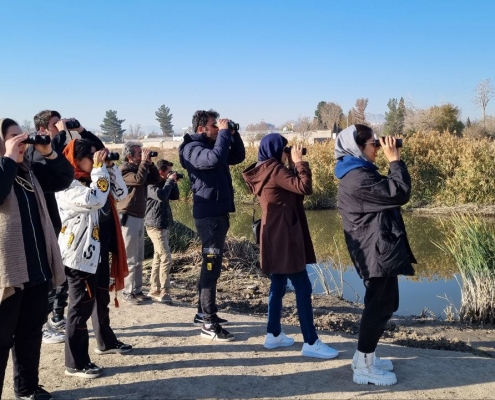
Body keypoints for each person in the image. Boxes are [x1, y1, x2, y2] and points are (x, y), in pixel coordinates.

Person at [242, 133, 339, 359]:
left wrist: (292, 166)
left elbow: (291, 192)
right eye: (284, 149)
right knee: (303, 286)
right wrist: (299, 163)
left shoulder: (263, 170)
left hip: (272, 233)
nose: (287, 153)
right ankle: (311, 341)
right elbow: (305, 187)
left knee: (278, 284)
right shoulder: (276, 170)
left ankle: (273, 334)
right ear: (276, 150)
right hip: (285, 235)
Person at [334, 124, 416, 386]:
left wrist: (392, 163)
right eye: (374, 144)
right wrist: (395, 161)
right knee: (378, 307)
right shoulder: (358, 178)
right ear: (357, 148)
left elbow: (390, 194)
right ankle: (364, 367)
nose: (378, 148)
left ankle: (364, 357)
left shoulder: (360, 172)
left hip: (377, 248)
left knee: (386, 304)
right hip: (374, 252)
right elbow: (399, 192)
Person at [0, 118, 68, 400]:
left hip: (37, 269)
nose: (21, 141)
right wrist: (7, 158)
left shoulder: (30, 171)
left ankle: (27, 388)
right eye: (13, 137)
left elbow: (64, 178)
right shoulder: (5, 170)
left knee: (30, 333)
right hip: (8, 275)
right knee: (1, 339)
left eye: (22, 136)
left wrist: (48, 151)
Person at [57, 139, 131, 379]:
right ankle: (75, 362)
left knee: (101, 298)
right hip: (79, 255)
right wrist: (100, 170)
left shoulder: (97, 177)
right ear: (77, 160)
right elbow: (95, 199)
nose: (96, 159)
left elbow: (121, 193)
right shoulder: (67, 184)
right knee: (80, 307)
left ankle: (105, 342)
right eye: (92, 156)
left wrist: (110, 167)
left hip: (97, 249)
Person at [30, 109, 103, 344]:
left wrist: (80, 130)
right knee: (47, 277)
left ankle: (56, 316)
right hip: (45, 222)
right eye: (55, 124)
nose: (61, 127)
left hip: (60, 222)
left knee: (60, 278)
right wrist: (60, 135)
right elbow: (46, 161)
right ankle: (43, 325)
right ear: (42, 130)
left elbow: (97, 150)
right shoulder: (36, 149)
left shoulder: (60, 149)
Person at [179, 110, 245, 342]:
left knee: (211, 266)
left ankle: (202, 313)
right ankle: (208, 323)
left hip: (217, 213)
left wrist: (233, 134)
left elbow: (237, 156)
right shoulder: (192, 149)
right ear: (201, 129)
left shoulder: (211, 145)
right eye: (214, 125)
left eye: (219, 126)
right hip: (208, 216)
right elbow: (215, 159)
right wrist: (224, 134)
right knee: (210, 267)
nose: (218, 129)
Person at [117, 141, 160, 305]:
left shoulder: (139, 168)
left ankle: (137, 290)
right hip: (128, 216)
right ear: (129, 156)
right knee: (130, 257)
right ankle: (127, 291)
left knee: (138, 257)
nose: (142, 155)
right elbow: (138, 180)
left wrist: (150, 164)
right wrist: (144, 163)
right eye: (139, 153)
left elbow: (155, 179)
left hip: (139, 216)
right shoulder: (124, 170)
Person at [145, 159, 180, 303]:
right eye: (169, 172)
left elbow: (174, 196)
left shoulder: (164, 183)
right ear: (161, 172)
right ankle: (165, 291)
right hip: (154, 226)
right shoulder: (151, 184)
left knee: (158, 257)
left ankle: (154, 289)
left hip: (162, 224)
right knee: (166, 257)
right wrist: (169, 181)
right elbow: (161, 196)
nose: (170, 174)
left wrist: (173, 182)